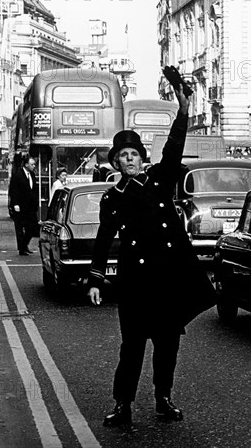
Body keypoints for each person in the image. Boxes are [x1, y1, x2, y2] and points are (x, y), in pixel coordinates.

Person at [87, 68, 216, 429]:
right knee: (131, 348)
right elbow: (103, 237)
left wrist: (183, 107)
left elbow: (175, 146)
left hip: (167, 278)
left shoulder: (160, 180)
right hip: (134, 282)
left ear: (143, 158)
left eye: (133, 154)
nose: (128, 159)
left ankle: (163, 399)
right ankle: (123, 404)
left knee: (167, 346)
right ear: (115, 162)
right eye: (122, 156)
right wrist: (95, 279)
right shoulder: (113, 198)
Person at [8, 155, 39, 256]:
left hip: (30, 207)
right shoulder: (18, 175)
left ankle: (24, 245)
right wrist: (15, 204)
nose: (34, 166)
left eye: (34, 164)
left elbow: (34, 190)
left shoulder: (32, 175)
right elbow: (13, 190)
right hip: (20, 206)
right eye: (32, 164)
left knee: (32, 228)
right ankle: (22, 249)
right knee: (20, 228)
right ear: (26, 165)